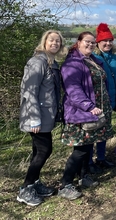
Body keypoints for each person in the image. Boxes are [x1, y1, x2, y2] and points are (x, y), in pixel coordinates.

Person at [58, 31, 114, 200]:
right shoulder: (72, 63)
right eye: (87, 42)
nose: (90, 45)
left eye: (93, 43)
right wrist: (89, 107)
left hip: (95, 113)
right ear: (79, 42)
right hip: (82, 113)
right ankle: (65, 184)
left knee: (88, 146)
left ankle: (83, 177)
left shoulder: (92, 60)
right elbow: (73, 90)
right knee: (80, 150)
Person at [18, 30, 66, 206]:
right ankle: (25, 189)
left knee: (39, 151)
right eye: (51, 40)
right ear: (44, 42)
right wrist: (34, 119)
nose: (55, 43)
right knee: (45, 150)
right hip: (37, 117)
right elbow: (29, 92)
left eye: (58, 41)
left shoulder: (51, 63)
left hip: (47, 115)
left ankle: (35, 183)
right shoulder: (37, 62)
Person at [89, 23, 116, 173]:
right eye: (105, 40)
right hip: (96, 101)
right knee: (92, 131)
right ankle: (89, 161)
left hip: (110, 100)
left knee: (104, 130)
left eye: (110, 40)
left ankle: (102, 158)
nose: (108, 43)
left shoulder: (115, 59)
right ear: (98, 42)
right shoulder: (93, 58)